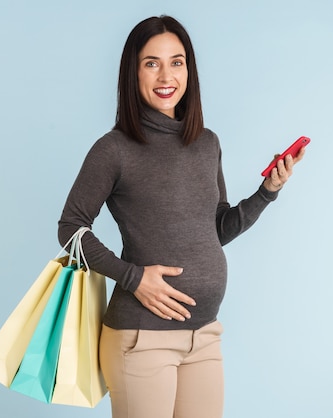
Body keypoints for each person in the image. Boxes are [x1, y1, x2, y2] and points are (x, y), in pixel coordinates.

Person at [57, 15, 305, 418]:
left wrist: (267, 193)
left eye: (177, 61)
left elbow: (215, 229)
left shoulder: (207, 143)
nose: (165, 75)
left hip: (205, 335)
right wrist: (133, 278)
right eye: (151, 63)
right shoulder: (114, 149)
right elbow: (70, 228)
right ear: (132, 73)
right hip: (141, 338)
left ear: (189, 68)